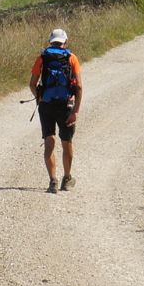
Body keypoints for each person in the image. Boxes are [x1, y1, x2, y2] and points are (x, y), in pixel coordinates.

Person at [29, 28, 84, 193]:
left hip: (46, 104)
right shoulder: (71, 58)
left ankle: (52, 181)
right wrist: (75, 110)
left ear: (50, 41)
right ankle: (67, 179)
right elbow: (79, 86)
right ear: (65, 42)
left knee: (49, 141)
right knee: (66, 142)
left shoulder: (42, 58)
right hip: (65, 104)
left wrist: (39, 97)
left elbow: (32, 83)